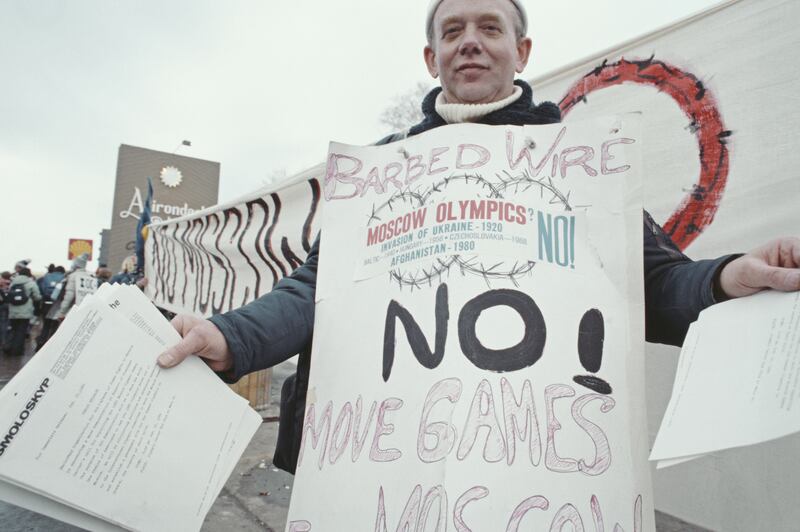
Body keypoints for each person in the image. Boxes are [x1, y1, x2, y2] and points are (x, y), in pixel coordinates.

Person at [157, 0, 800, 473]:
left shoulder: (578, 166)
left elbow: (655, 284)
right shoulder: (378, 171)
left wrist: (724, 278)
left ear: (522, 52)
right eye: (452, 31)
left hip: (534, 469)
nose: (470, 42)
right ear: (431, 57)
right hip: (382, 465)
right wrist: (230, 337)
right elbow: (314, 290)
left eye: (490, 27)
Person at [5, 267, 41, 357]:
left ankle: (8, 347)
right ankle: (17, 350)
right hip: (25, 312)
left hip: (13, 311)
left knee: (13, 330)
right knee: (21, 331)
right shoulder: (31, 283)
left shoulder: (13, 283)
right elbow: (37, 297)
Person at [37, 265, 66, 349]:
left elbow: (41, 289)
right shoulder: (64, 277)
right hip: (57, 305)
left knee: (45, 325)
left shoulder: (46, 276)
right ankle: (50, 346)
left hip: (46, 303)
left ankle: (41, 343)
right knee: (55, 326)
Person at [54, 253, 89, 321]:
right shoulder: (91, 277)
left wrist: (61, 312)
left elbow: (69, 296)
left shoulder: (73, 276)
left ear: (76, 264)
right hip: (86, 310)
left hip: (73, 311)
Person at [0, 271, 11, 350]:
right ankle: (4, 340)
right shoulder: (12, 282)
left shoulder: (1, 282)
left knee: (2, 323)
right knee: (5, 323)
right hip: (8, 304)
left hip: (1, 304)